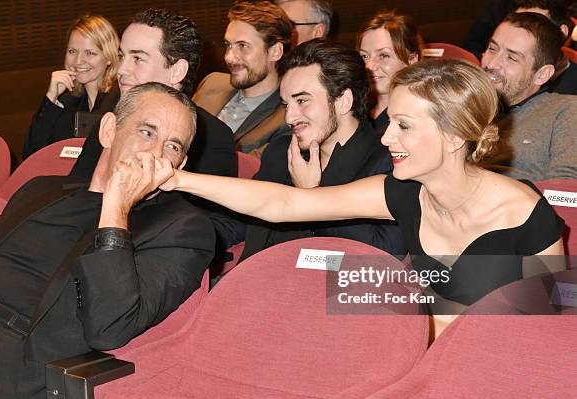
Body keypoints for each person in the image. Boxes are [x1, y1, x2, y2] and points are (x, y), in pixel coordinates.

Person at [162, 59, 564, 332]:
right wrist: (180, 180)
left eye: (403, 126)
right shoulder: (403, 193)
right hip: (414, 354)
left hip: (485, 374)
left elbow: (550, 327)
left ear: (456, 134)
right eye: (391, 123)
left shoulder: (525, 214)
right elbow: (284, 204)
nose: (387, 137)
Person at [0, 82, 215, 399]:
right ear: (110, 130)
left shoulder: (182, 229)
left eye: (172, 146)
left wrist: (116, 207)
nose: (155, 155)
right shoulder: (43, 189)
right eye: (146, 132)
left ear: (181, 163)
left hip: (5, 389)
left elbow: (109, 326)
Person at [212, 40, 406, 263]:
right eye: (286, 105)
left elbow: (381, 260)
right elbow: (241, 220)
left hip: (323, 293)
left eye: (302, 101)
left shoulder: (389, 162)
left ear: (344, 101)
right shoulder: (282, 150)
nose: (289, 118)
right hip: (254, 283)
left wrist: (313, 195)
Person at [70, 8, 237, 180]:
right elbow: (76, 188)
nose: (121, 70)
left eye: (138, 59)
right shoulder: (114, 117)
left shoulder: (213, 139)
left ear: (177, 71)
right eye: (122, 56)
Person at [481, 12, 577, 179]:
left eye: (511, 58)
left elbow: (565, 191)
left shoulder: (566, 111)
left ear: (542, 75)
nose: (491, 63)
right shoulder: (463, 103)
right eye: (492, 48)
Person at [193, 1, 293, 156]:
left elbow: (252, 172)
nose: (229, 57)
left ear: (275, 52)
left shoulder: (289, 117)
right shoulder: (212, 82)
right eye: (228, 45)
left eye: (243, 46)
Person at [23, 15, 119, 159]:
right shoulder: (69, 101)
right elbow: (32, 155)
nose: (78, 61)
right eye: (72, 51)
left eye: (90, 53)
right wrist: (51, 98)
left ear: (109, 57)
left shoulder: (120, 99)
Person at [357, 10, 423, 132]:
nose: (369, 66)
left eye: (383, 55)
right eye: (364, 56)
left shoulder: (419, 116)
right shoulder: (356, 110)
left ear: (412, 60)